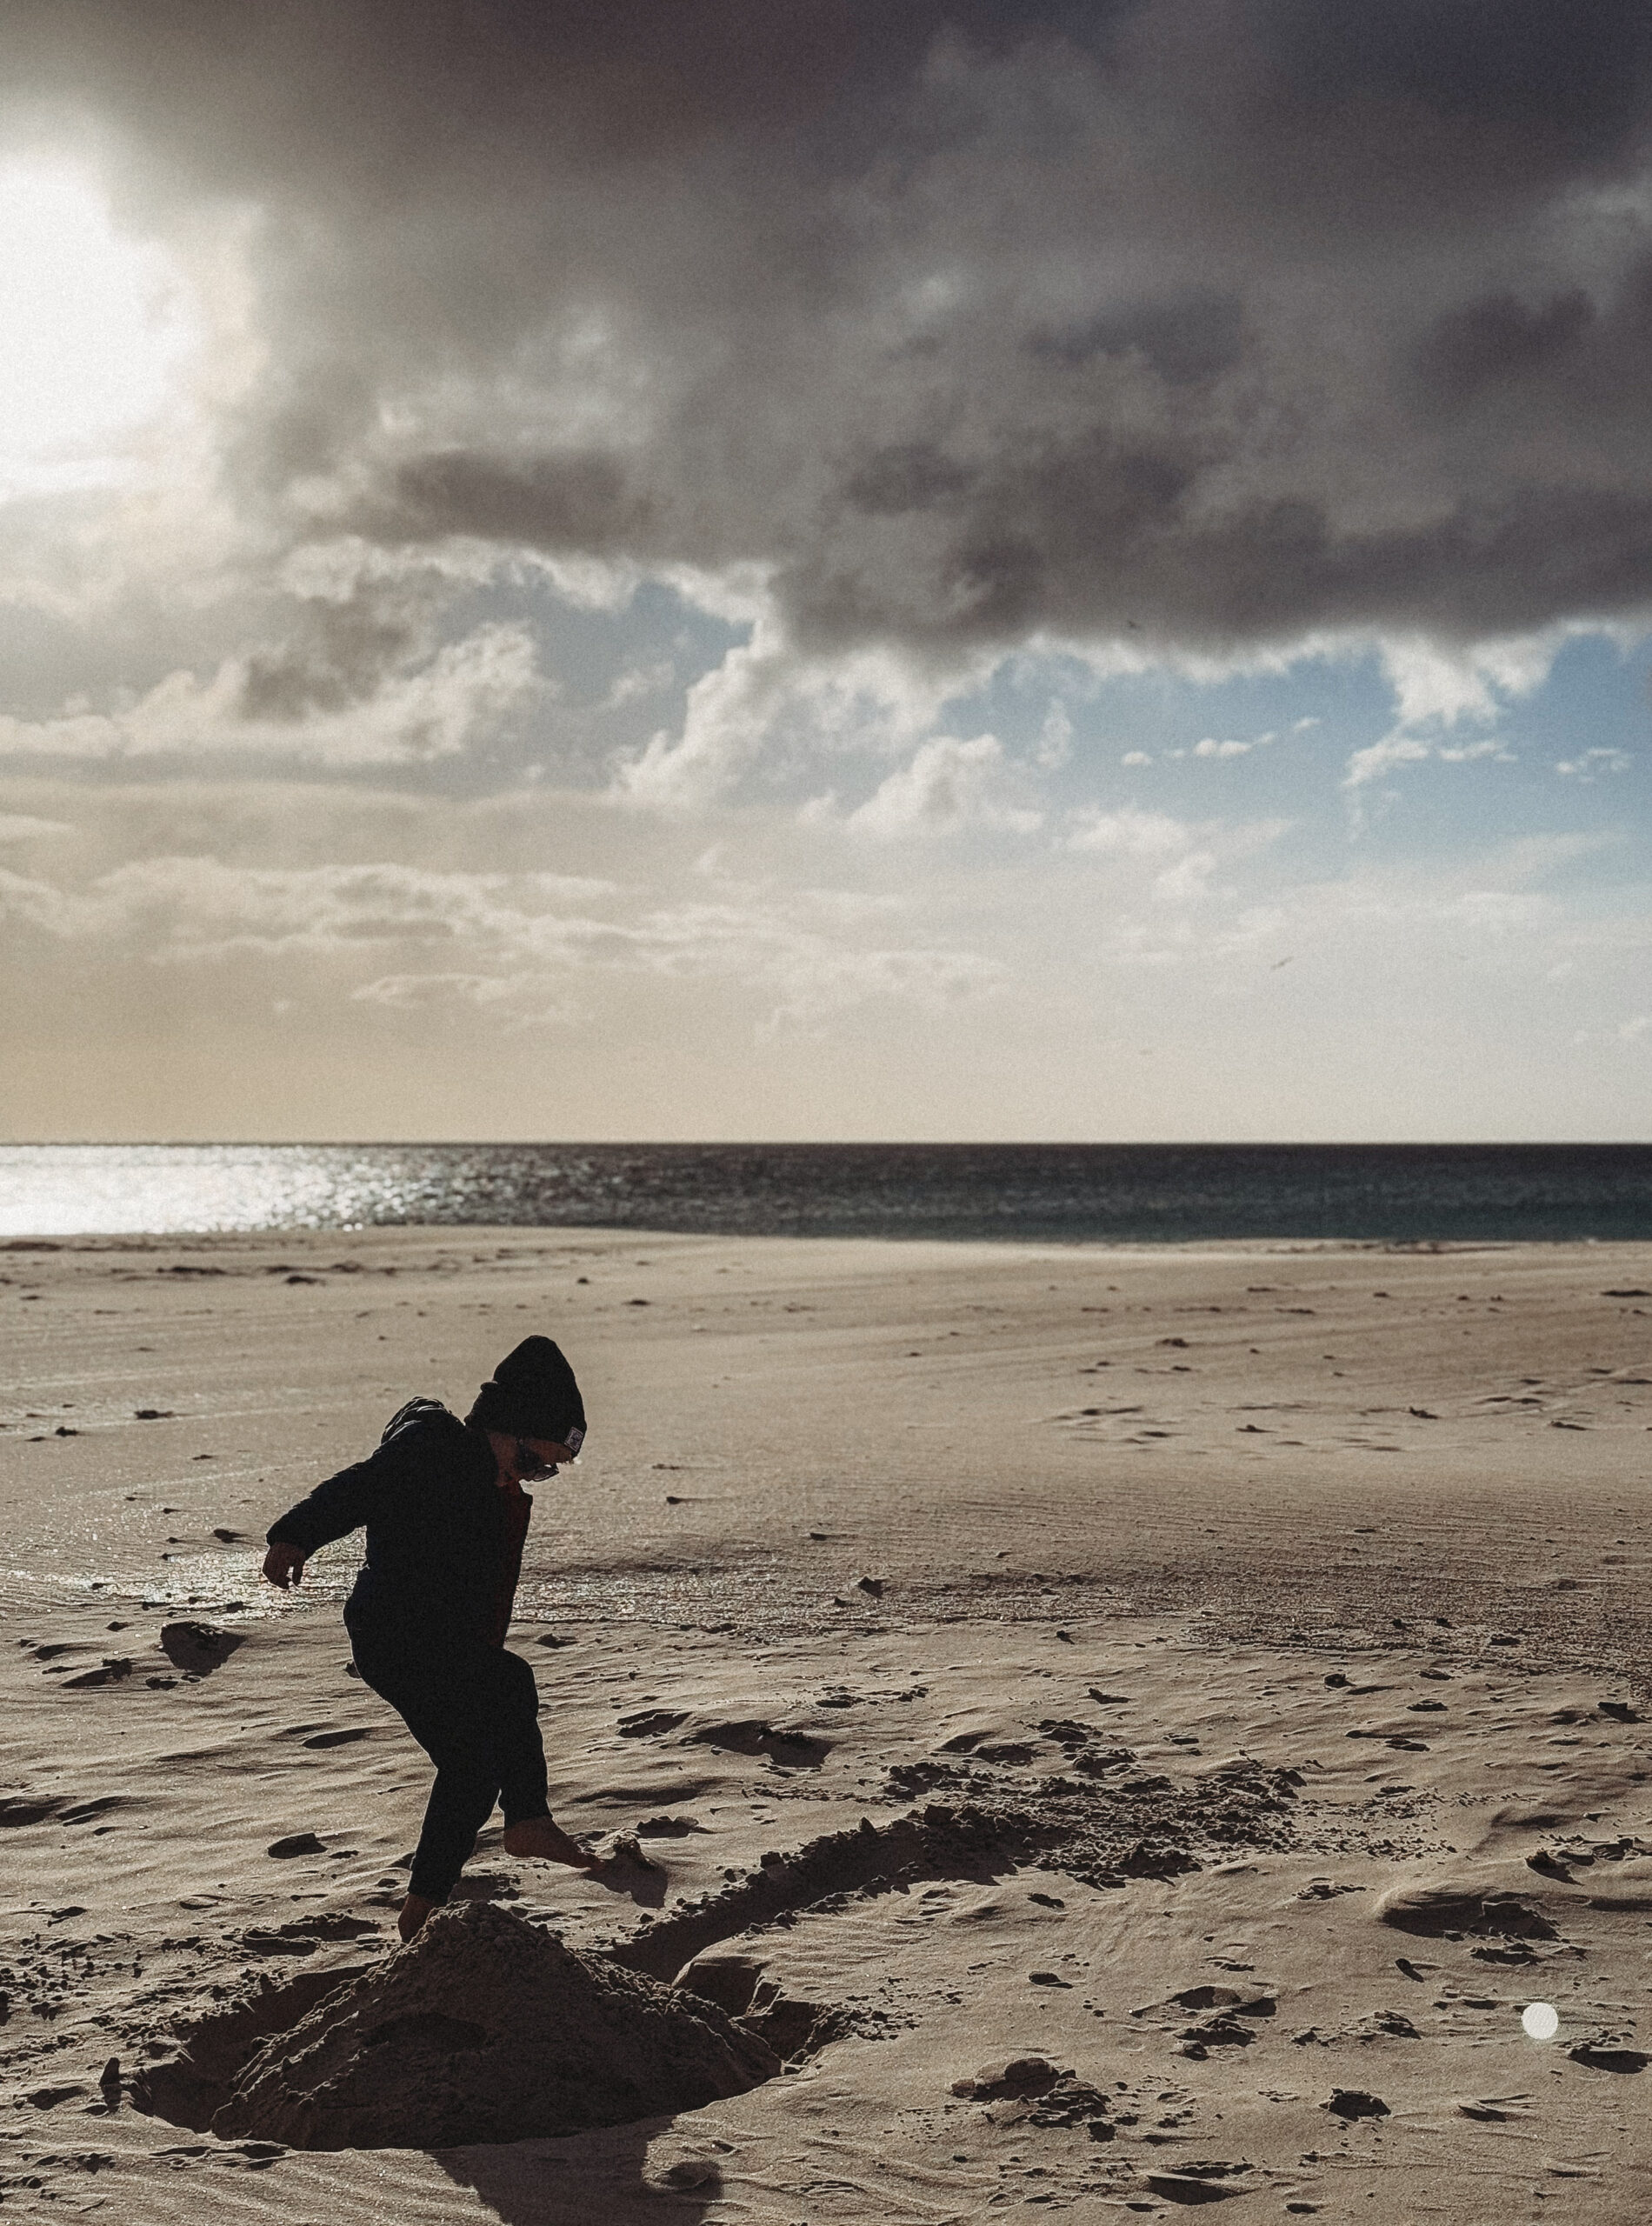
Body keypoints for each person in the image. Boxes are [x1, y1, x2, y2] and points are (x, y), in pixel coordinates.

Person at [261, 1336, 597, 1942]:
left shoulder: (493, 1486)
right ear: (501, 1426)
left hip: (440, 1639)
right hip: (394, 1631)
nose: (531, 1476)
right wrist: (295, 1536)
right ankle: (528, 1819)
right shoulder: (432, 1448)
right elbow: (357, 1489)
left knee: (472, 1767)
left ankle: (422, 1907)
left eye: (546, 1471)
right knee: (510, 1680)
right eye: (531, 1460)